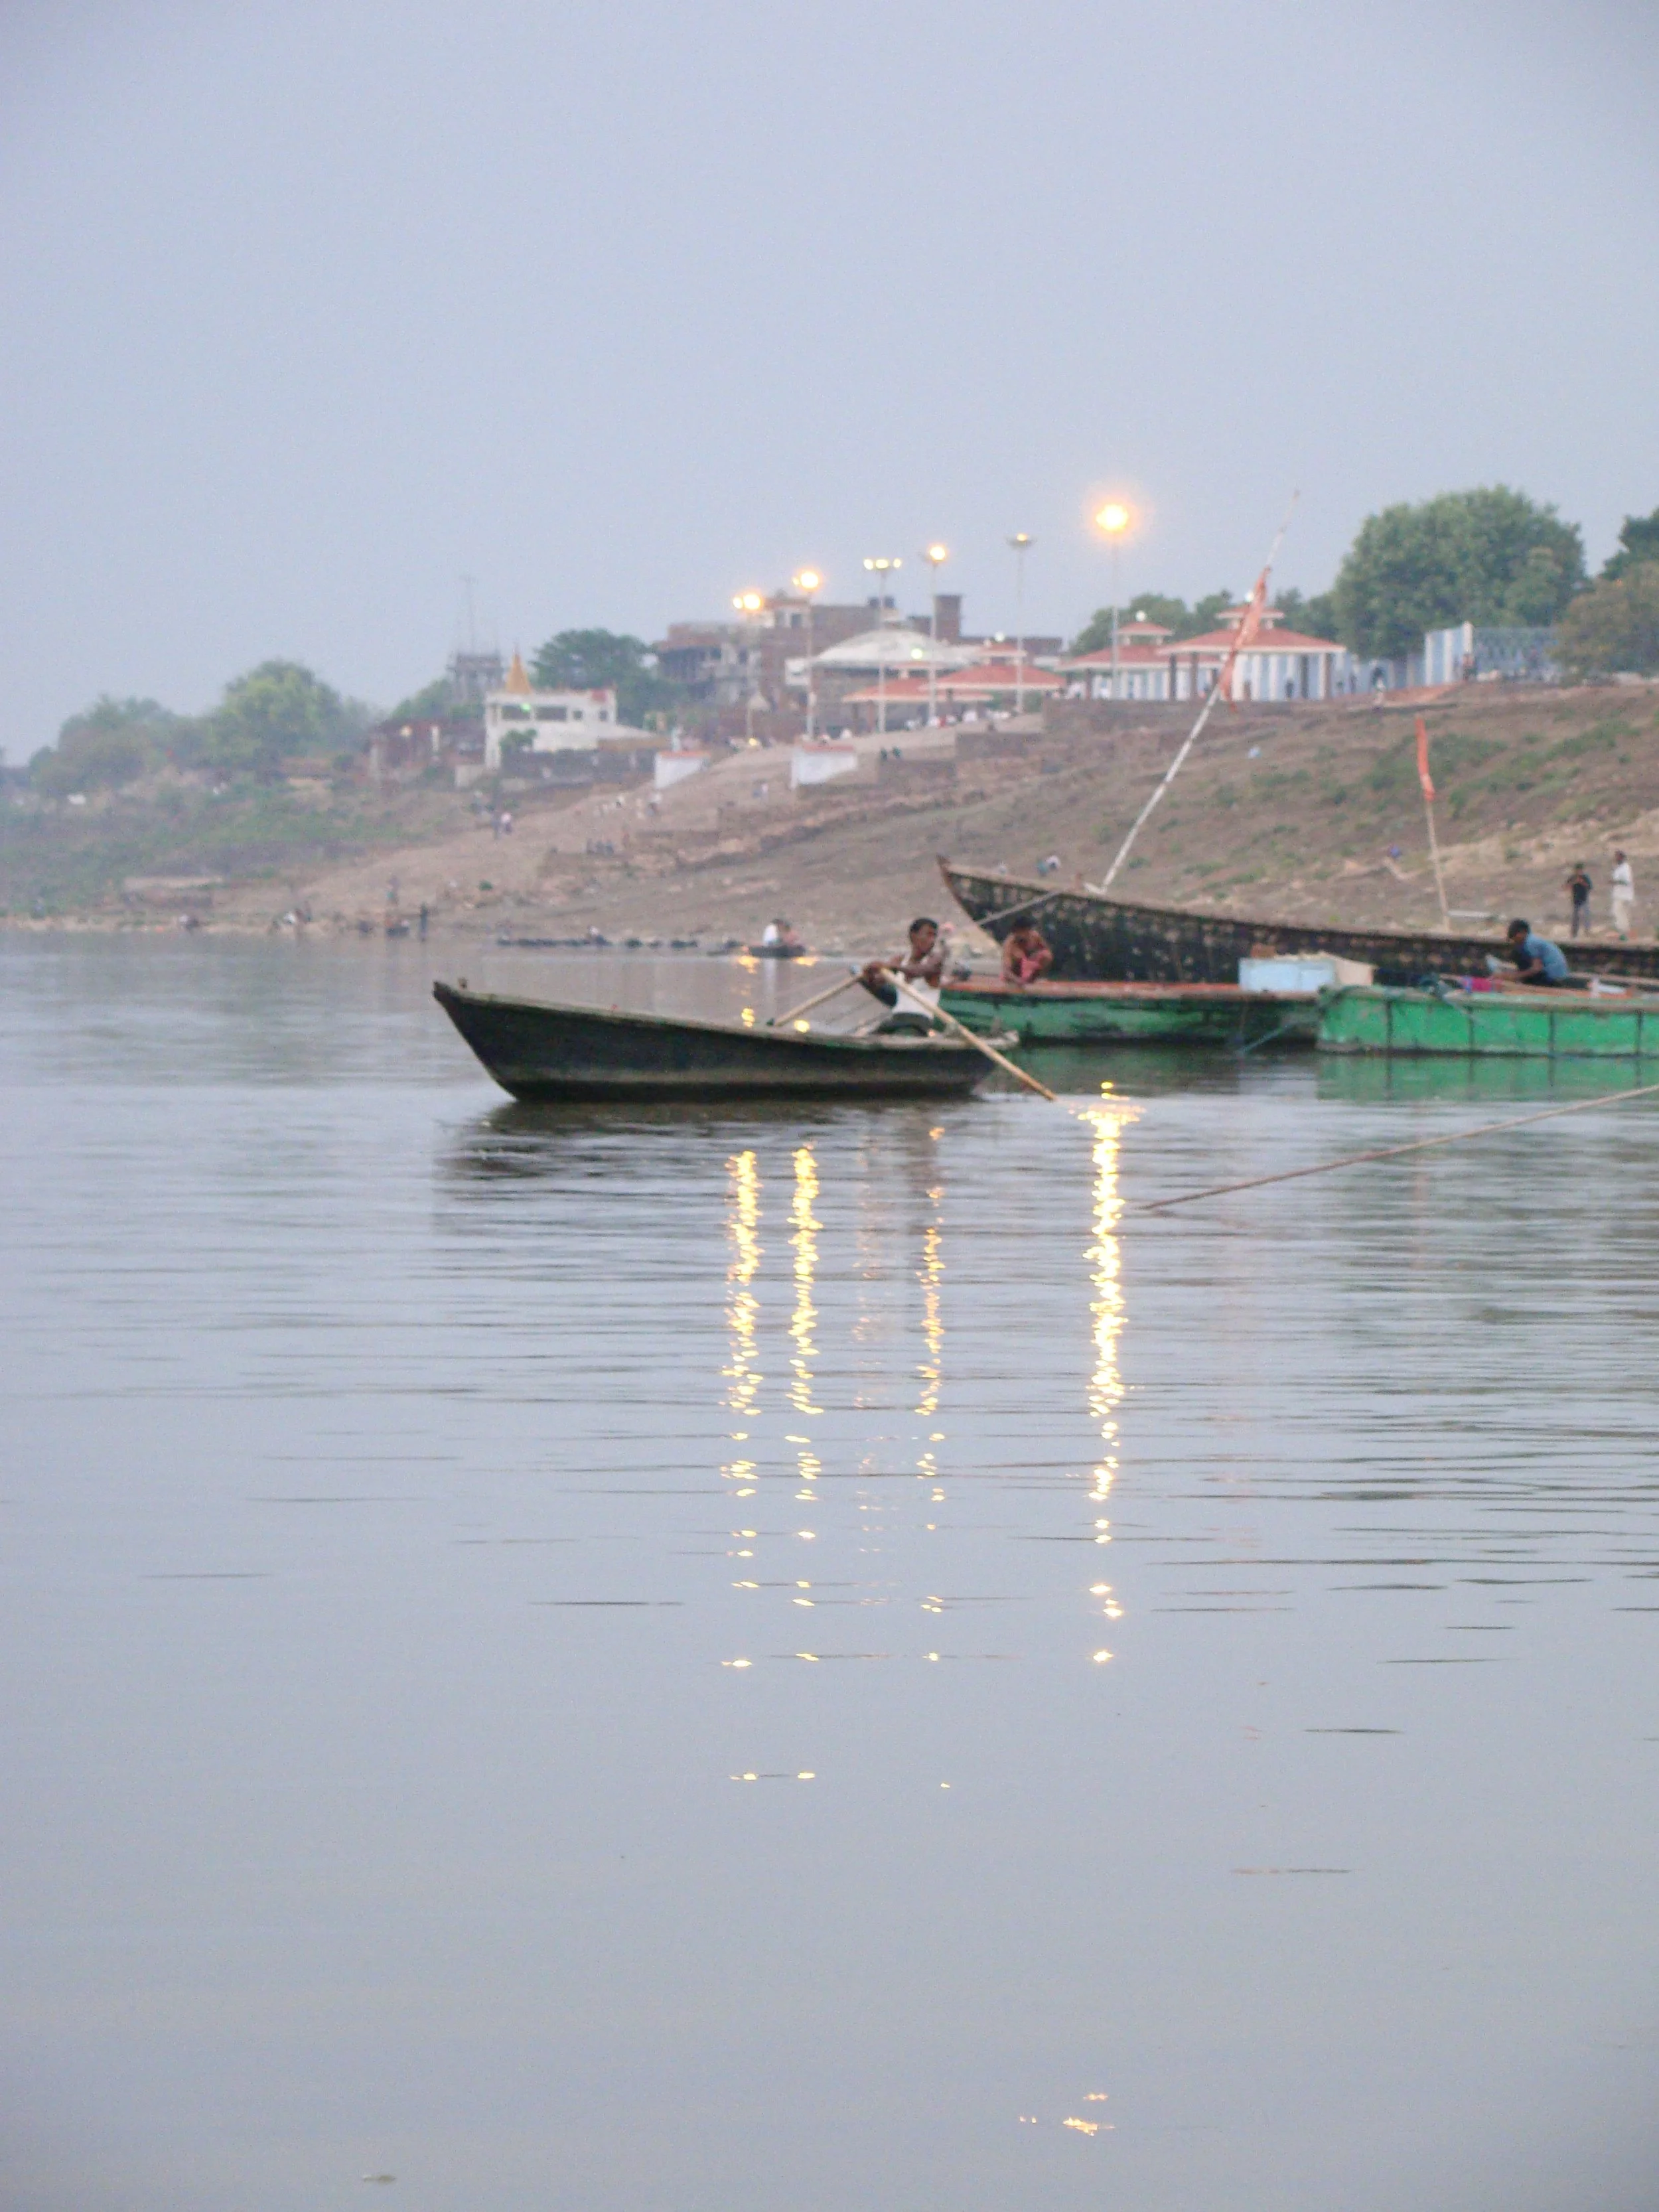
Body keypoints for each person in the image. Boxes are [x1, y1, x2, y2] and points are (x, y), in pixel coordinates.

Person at [859, 917, 947, 1031]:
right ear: (913, 936)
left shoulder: (935, 960)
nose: (932, 940)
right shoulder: (900, 960)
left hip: (919, 1023)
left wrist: (889, 966)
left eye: (934, 936)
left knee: (902, 1035)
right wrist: (870, 975)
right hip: (897, 1019)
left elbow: (918, 971)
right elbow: (877, 985)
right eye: (928, 935)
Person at [1504, 918, 1569, 986]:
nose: (1514, 941)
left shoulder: (1531, 943)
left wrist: (1517, 976)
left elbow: (1537, 968)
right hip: (1555, 974)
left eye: (1514, 937)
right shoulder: (1531, 939)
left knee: (1520, 954)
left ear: (1522, 933)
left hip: (1554, 977)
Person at [1001, 919, 1054, 987]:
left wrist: (1035, 957)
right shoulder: (1009, 944)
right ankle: (1019, 980)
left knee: (1046, 955)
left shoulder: (1035, 936)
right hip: (1014, 974)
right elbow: (1006, 969)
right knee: (1018, 955)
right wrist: (1017, 980)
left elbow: (1046, 950)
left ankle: (1035, 978)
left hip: (1028, 969)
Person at [1611, 849, 1635, 938]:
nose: (1615, 858)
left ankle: (1624, 935)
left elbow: (1627, 881)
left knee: (1622, 915)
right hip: (1618, 895)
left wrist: (1615, 882)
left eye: (1617, 857)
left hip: (1624, 896)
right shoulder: (1619, 868)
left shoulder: (1626, 868)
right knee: (1618, 915)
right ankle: (1622, 934)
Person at [1565, 862, 1591, 937]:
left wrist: (1582, 882)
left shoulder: (1585, 877)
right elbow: (1566, 886)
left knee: (1586, 916)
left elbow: (1590, 887)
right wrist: (1574, 882)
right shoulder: (1573, 877)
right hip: (1576, 900)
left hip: (1584, 899)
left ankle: (1587, 931)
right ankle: (1574, 933)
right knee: (1575, 917)